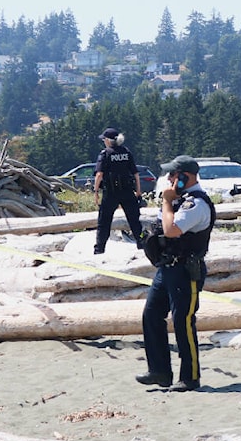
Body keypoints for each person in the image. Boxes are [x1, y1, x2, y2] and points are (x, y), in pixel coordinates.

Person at [136, 155, 216, 392]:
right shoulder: (180, 201)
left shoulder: (197, 204)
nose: (170, 179)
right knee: (151, 316)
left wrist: (167, 201)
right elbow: (161, 225)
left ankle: (190, 377)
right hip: (166, 267)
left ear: (185, 177)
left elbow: (172, 230)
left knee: (183, 322)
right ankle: (159, 370)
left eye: (174, 175)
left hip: (185, 270)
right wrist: (169, 202)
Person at [93, 127, 144, 255]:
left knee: (104, 221)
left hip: (111, 193)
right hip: (127, 191)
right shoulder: (126, 153)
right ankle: (142, 245)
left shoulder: (105, 154)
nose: (104, 141)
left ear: (109, 141)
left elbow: (99, 174)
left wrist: (95, 193)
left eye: (104, 139)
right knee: (134, 220)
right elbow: (136, 174)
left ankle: (99, 249)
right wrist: (138, 191)